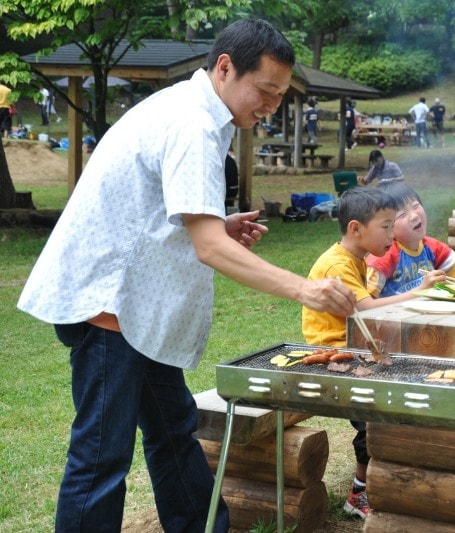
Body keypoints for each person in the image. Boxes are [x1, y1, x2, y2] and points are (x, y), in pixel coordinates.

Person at [16, 19, 356, 533]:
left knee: (174, 431)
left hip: (137, 310)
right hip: (111, 302)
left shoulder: (195, 111)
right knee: (103, 453)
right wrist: (305, 288)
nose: (271, 105)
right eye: (265, 90)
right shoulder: (193, 123)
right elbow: (209, 248)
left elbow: (172, 213)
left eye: (280, 95)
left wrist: (219, 223)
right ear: (225, 68)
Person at [302, 187, 442, 519]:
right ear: (356, 228)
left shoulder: (357, 258)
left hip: (355, 349)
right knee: (373, 421)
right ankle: (359, 493)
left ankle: (392, 481)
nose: (393, 234)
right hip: (334, 356)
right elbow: (365, 309)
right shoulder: (338, 264)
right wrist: (419, 293)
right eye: (385, 226)